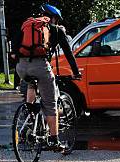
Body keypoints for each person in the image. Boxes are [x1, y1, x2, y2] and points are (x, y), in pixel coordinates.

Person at [11, 4, 82, 151]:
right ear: (54, 18)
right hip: (40, 67)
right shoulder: (56, 30)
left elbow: (14, 48)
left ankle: (30, 115)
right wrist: (76, 72)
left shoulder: (28, 24)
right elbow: (69, 54)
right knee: (50, 104)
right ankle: (54, 140)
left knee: (32, 84)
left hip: (21, 68)